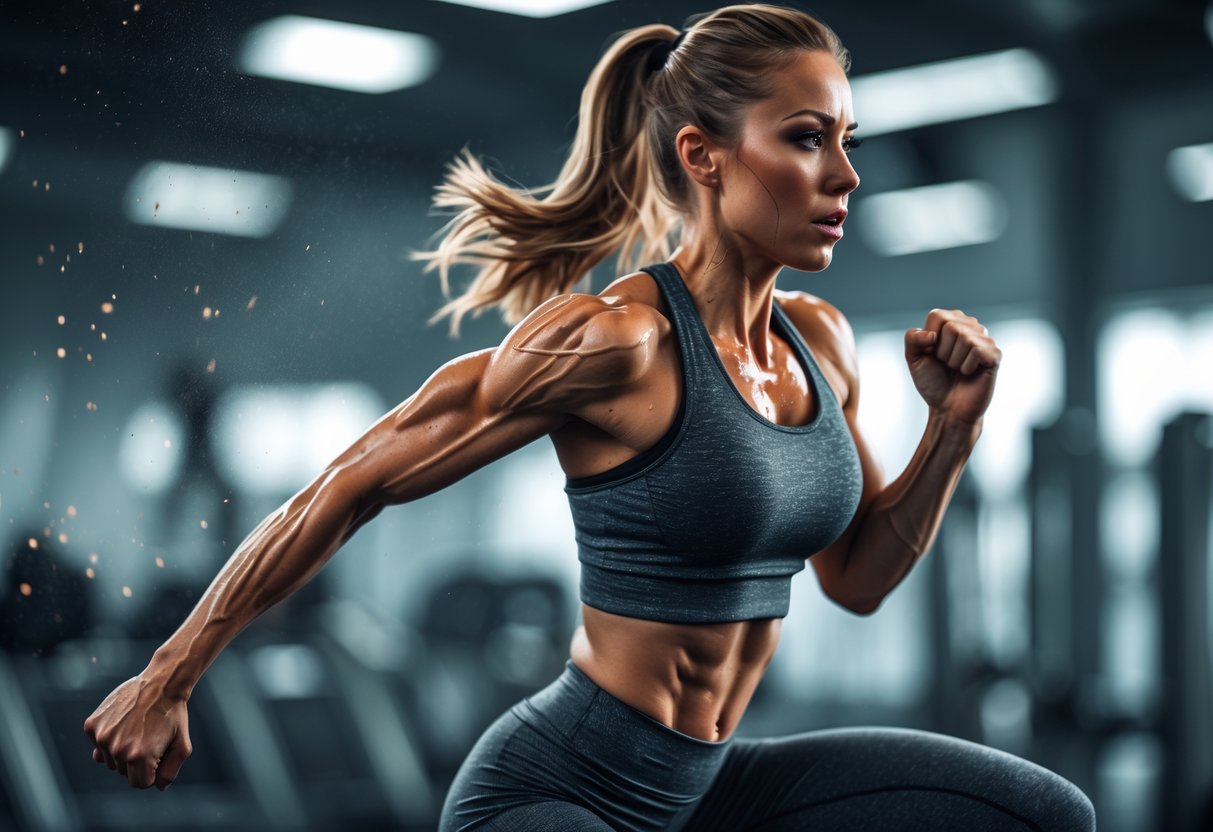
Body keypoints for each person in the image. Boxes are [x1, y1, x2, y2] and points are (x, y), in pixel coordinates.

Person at [84, 4, 1096, 829]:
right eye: (805, 139)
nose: (845, 175)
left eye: (846, 141)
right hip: (562, 789)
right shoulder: (614, 345)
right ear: (702, 156)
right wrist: (169, 675)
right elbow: (354, 479)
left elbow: (860, 578)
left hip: (711, 783)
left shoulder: (820, 345)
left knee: (1042, 811)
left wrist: (953, 427)